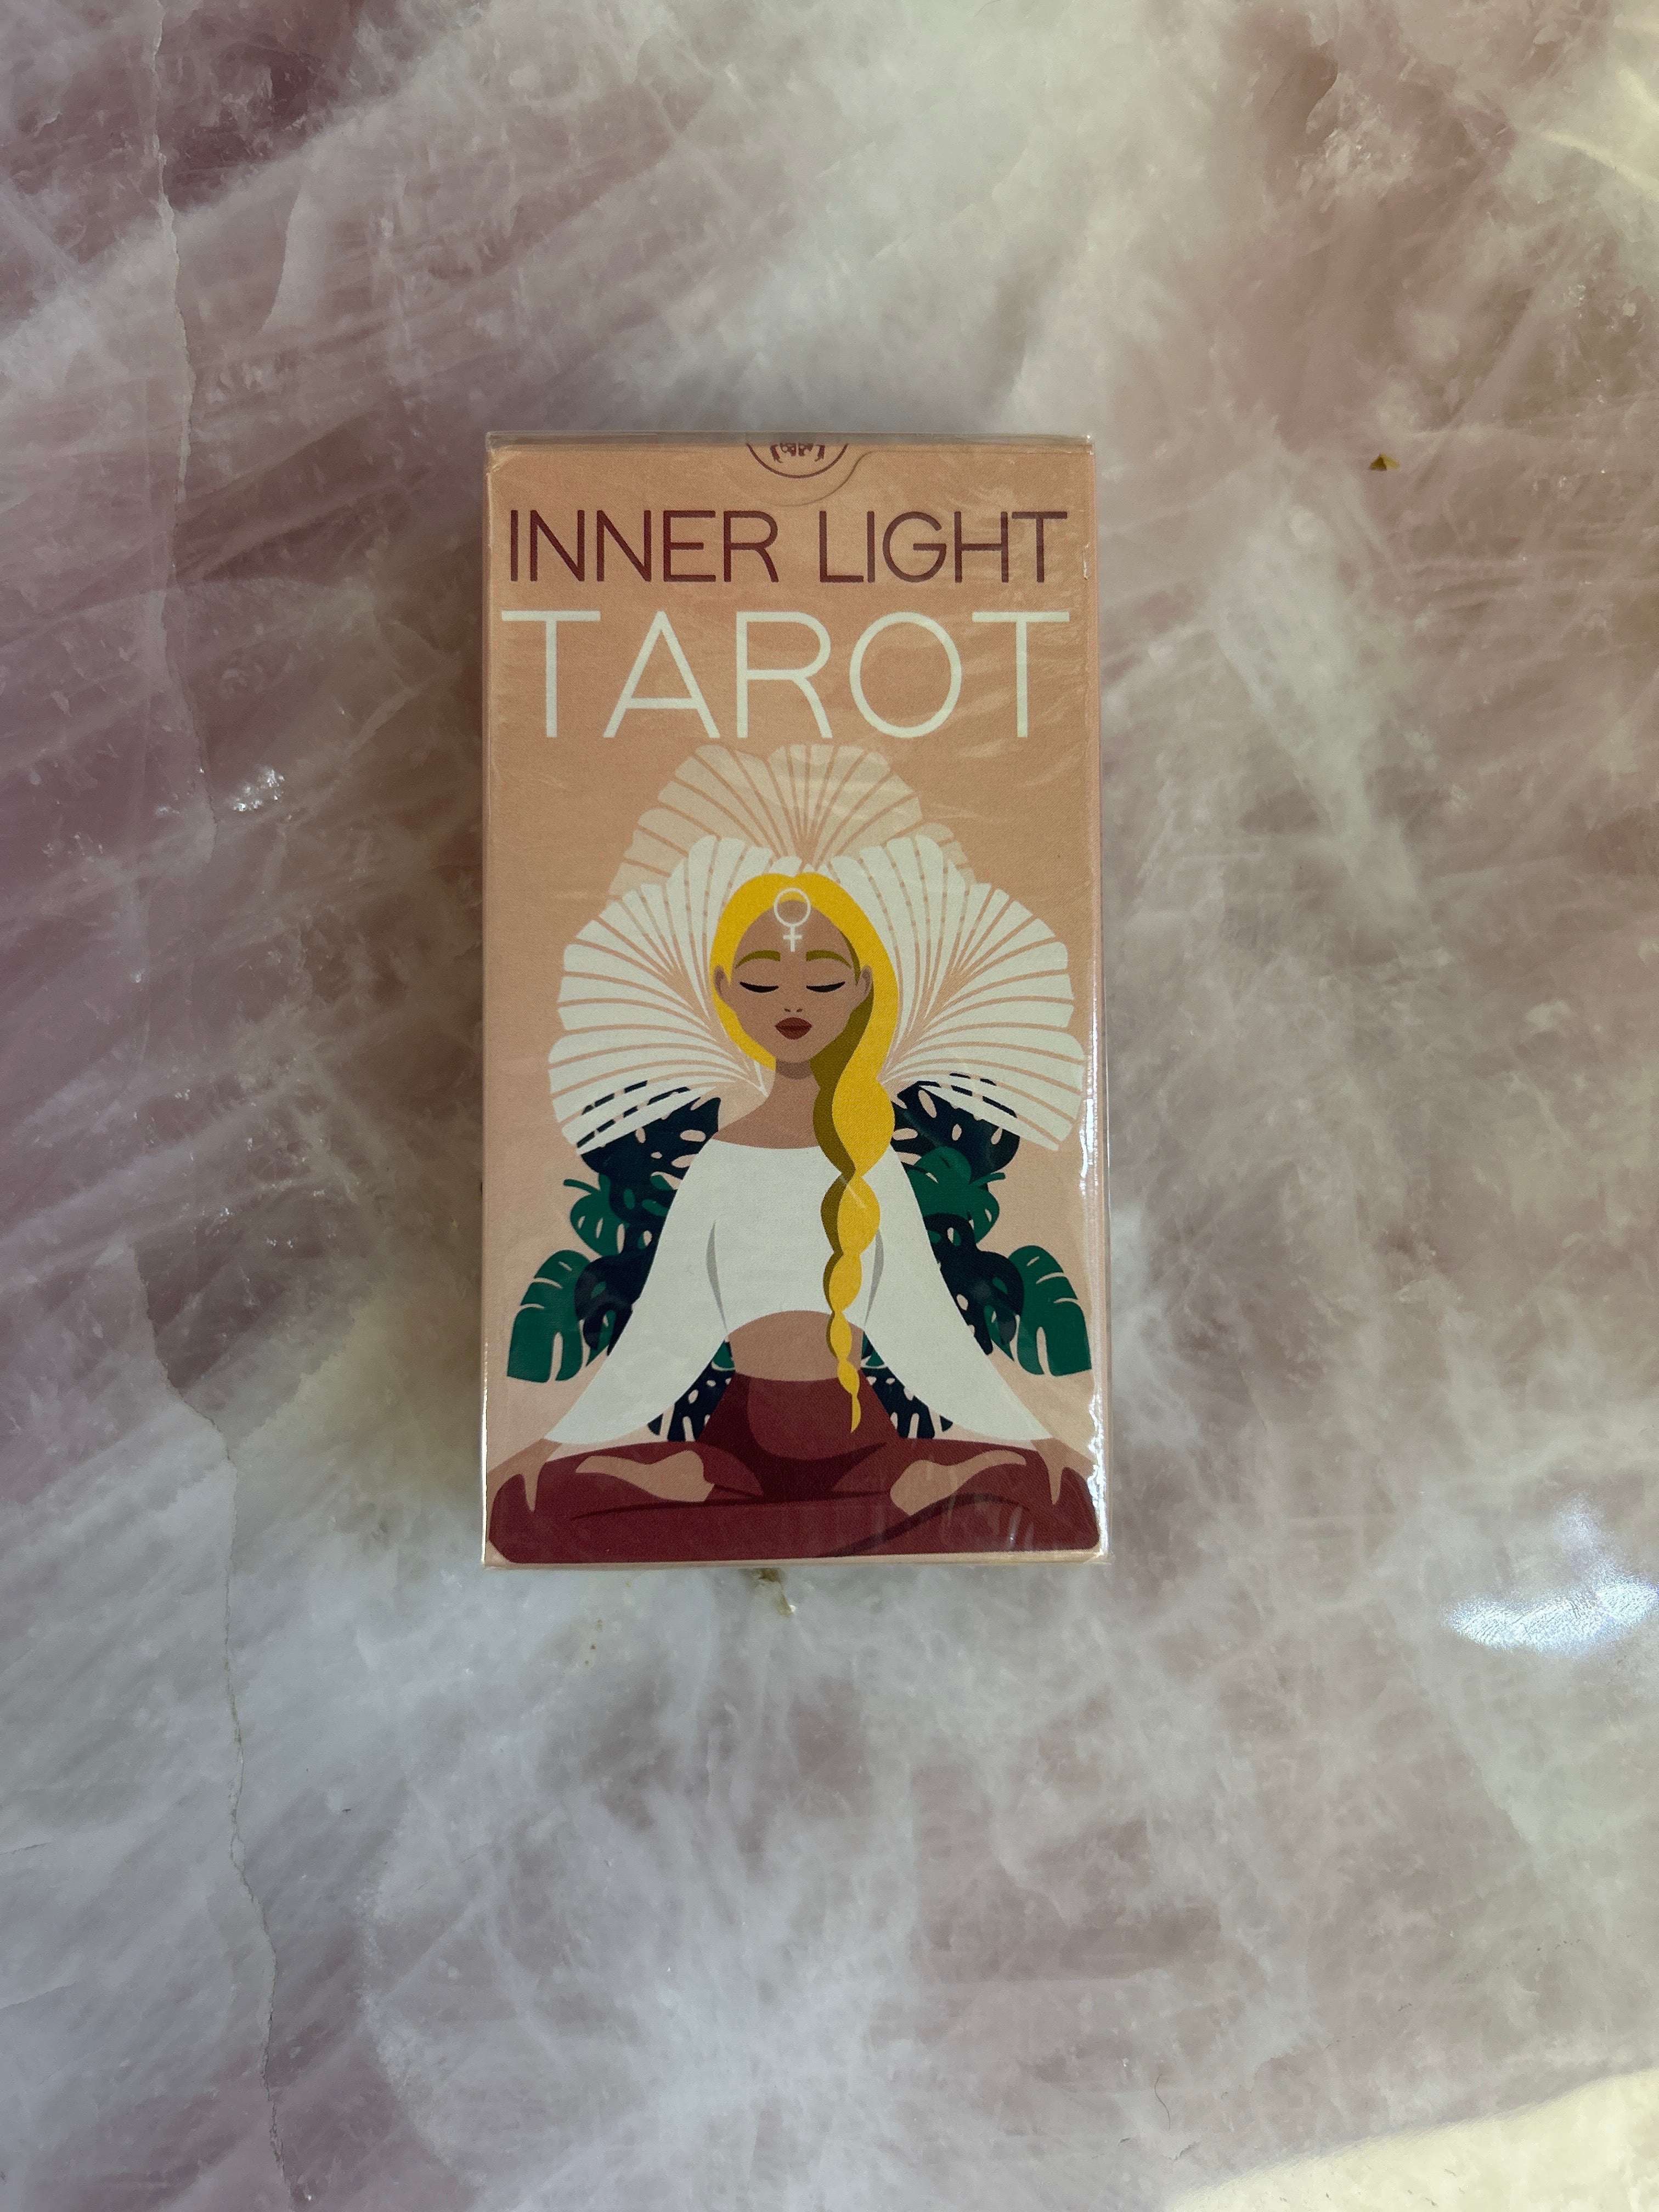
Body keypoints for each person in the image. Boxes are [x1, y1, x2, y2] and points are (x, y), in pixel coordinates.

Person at [488, 865, 1098, 1563]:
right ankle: (850, 1504)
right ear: (725, 991)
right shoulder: (719, 1163)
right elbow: (667, 1328)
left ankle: (897, 1493)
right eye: (761, 983)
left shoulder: (872, 1165)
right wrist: (554, 1444)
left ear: (861, 987)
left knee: (1062, 1500)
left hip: (866, 1451)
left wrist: (1036, 1437)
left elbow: (927, 1330)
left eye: (824, 982)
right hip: (732, 1455)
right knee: (522, 1508)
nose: (793, 1001)